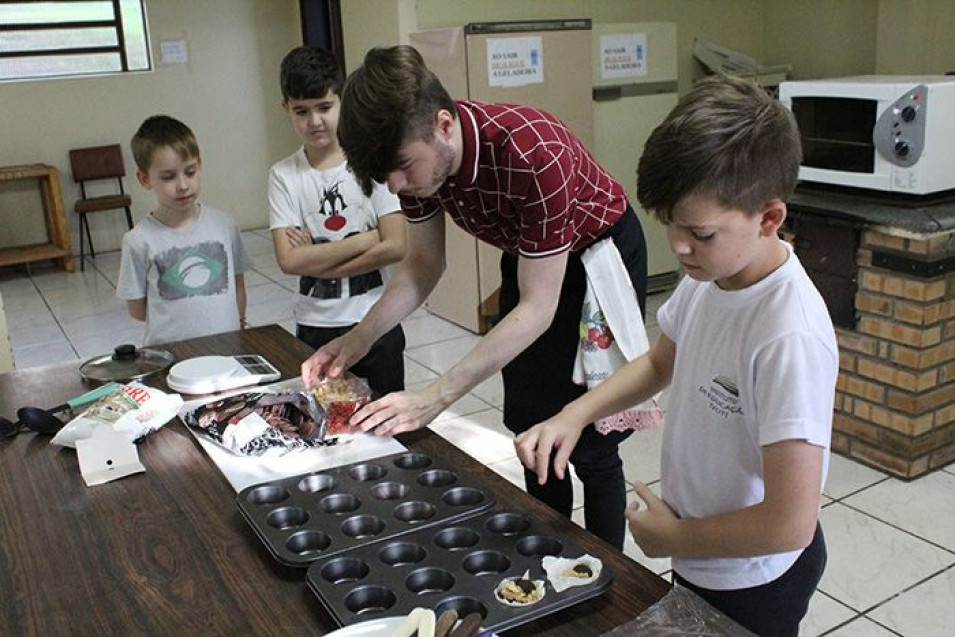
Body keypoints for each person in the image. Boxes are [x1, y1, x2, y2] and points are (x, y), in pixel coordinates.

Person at [514, 75, 838, 636]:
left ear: (768, 218)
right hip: (702, 550)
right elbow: (660, 364)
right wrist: (574, 414)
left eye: (700, 232)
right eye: (670, 225)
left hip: (754, 576)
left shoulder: (789, 335)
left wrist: (673, 539)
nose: (679, 247)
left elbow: (790, 523)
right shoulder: (712, 276)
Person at [301, 45, 649, 550]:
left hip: (598, 259)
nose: (399, 185)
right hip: (531, 255)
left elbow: (538, 307)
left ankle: (609, 577)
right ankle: (548, 553)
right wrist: (356, 340)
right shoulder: (412, 166)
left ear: (443, 125)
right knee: (532, 423)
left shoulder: (532, 154)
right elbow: (423, 265)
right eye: (387, 177)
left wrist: (435, 396)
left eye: (403, 167)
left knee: (591, 436)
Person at [269, 46, 406, 396]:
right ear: (286, 109)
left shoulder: (370, 161)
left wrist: (318, 259)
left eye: (324, 108)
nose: (314, 121)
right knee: (327, 422)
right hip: (316, 324)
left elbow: (396, 245)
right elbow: (289, 260)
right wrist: (365, 239)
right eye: (302, 111)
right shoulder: (284, 175)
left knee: (385, 418)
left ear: (341, 101)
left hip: (376, 320)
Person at [118, 115, 251, 346]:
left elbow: (238, 286)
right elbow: (137, 309)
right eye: (168, 177)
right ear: (144, 179)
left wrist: (238, 324)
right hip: (170, 355)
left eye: (189, 172)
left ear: (199, 165)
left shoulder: (224, 225)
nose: (182, 185)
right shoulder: (138, 240)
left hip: (227, 348)